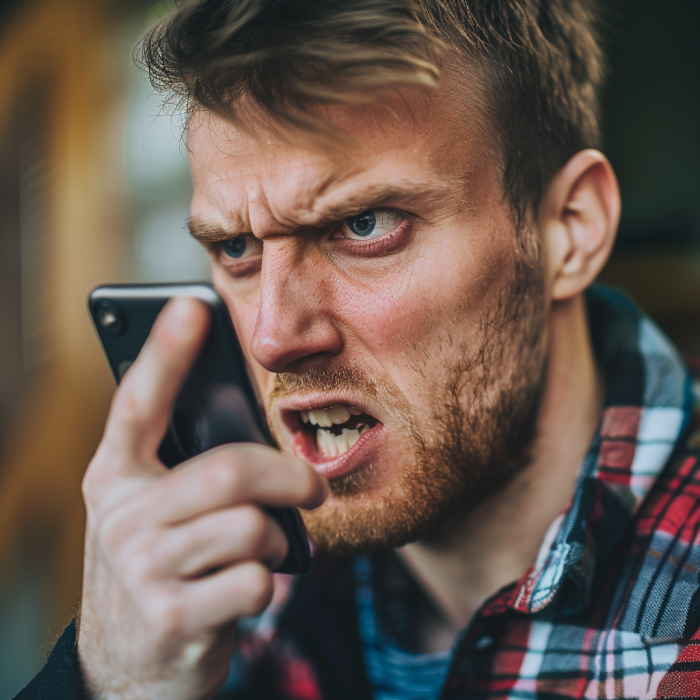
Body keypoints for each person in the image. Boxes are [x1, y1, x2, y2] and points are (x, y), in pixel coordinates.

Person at [15, 0, 700, 698]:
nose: (272, 336)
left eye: (365, 225)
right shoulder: (231, 589)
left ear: (570, 228)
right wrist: (108, 679)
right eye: (236, 247)